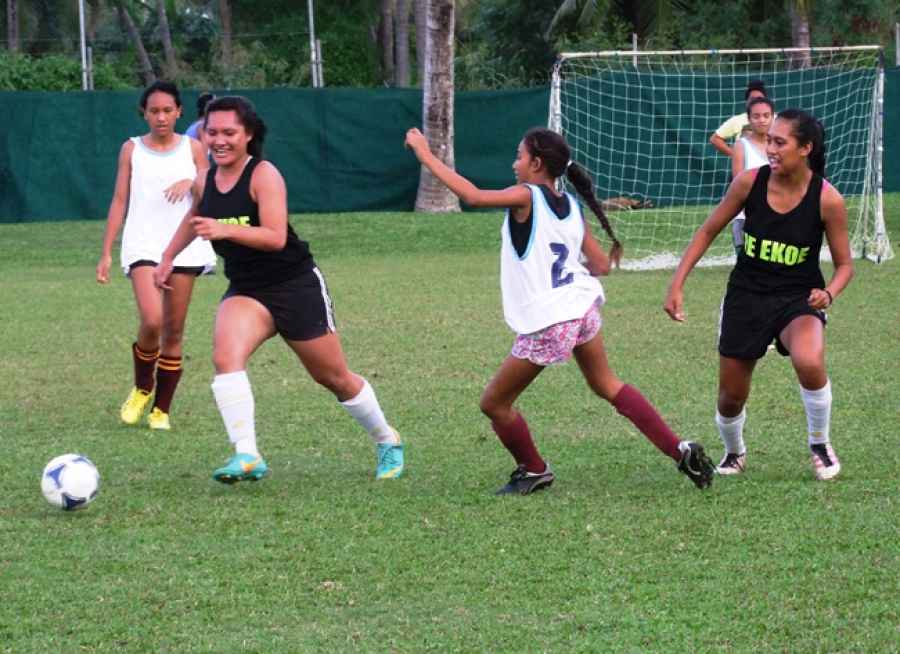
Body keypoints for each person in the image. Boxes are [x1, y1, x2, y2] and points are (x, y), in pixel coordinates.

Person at [404, 126, 714, 495]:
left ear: (536, 164)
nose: (514, 163)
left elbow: (472, 197)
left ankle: (534, 469)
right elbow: (600, 265)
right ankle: (678, 449)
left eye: (519, 156)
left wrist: (425, 155)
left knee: (495, 403)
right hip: (581, 309)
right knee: (608, 385)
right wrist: (567, 271)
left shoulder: (526, 196)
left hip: (552, 319)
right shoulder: (571, 205)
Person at [154, 95, 405, 484]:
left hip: (294, 286)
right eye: (212, 131)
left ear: (249, 134)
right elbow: (196, 216)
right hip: (246, 289)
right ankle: (247, 455)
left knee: (333, 377)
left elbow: (274, 237)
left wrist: (226, 230)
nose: (219, 140)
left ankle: (387, 439)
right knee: (225, 357)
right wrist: (168, 256)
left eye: (229, 133)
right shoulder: (204, 180)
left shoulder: (264, 174)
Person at [664, 108, 853, 481]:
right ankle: (734, 452)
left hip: (798, 298)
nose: (771, 148)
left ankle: (820, 442)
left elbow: (845, 265)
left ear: (806, 148)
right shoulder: (749, 183)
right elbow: (707, 232)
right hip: (746, 296)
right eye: (769, 140)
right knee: (731, 397)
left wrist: (828, 294)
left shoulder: (828, 199)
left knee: (809, 360)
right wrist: (676, 283)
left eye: (780, 142)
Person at [97, 80, 216, 431]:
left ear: (179, 111)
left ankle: (161, 410)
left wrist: (191, 182)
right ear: (143, 114)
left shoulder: (194, 148)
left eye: (167, 110)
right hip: (143, 245)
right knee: (152, 321)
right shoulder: (131, 149)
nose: (161, 117)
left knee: (173, 329)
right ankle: (142, 387)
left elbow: (211, 187)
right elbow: (120, 200)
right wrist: (106, 251)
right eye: (154, 111)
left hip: (184, 245)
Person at [731, 96, 775, 253]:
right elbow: (738, 187)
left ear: (773, 117)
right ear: (749, 119)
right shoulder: (741, 146)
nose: (761, 120)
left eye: (766, 116)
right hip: (747, 219)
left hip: (776, 219)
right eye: (756, 116)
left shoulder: (780, 146)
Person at [709, 79, 768, 157]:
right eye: (752, 99)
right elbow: (715, 139)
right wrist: (735, 155)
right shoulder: (737, 120)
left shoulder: (776, 120)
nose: (756, 102)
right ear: (747, 101)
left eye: (760, 99)